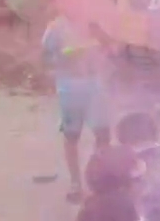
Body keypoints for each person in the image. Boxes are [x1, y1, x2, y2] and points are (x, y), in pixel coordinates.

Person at [42, 13, 112, 203]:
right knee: (72, 135)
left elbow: (109, 46)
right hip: (70, 85)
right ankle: (76, 183)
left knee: (103, 134)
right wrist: (69, 54)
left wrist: (101, 43)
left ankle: (100, 179)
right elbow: (48, 59)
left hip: (95, 83)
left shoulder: (93, 21)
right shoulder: (56, 28)